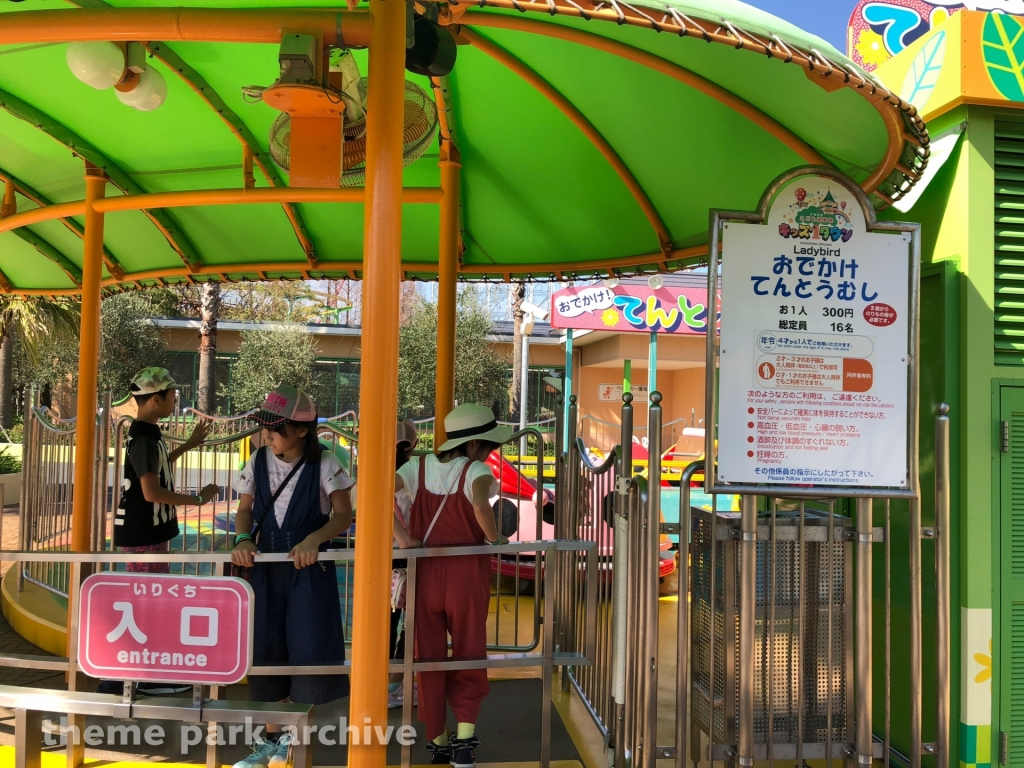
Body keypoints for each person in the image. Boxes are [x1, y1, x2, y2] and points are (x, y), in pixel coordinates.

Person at [230, 385, 354, 768]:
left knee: (307, 650)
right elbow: (245, 510)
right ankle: (271, 741)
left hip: (309, 573)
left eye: (276, 429)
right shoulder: (257, 460)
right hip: (264, 571)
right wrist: (243, 538)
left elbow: (343, 515)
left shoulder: (326, 463)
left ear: (302, 430)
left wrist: (314, 539)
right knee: (266, 651)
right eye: (265, 427)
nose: (267, 436)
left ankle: (293, 744)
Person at [394, 404, 511, 768]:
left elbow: (369, 495)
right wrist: (494, 538)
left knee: (427, 659)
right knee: (469, 652)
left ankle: (437, 739)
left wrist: (403, 539)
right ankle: (464, 741)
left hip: (425, 573)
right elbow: (480, 505)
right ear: (475, 444)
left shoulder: (416, 467)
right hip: (466, 574)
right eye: (489, 446)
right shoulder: (476, 470)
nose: (489, 453)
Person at [102, 367, 218, 696]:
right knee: (148, 601)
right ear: (156, 400)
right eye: (172, 395)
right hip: (143, 534)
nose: (175, 400)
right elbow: (151, 492)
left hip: (149, 533)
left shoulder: (148, 434)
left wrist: (189, 445)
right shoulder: (143, 437)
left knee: (150, 597)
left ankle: (138, 672)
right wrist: (197, 500)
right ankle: (136, 675)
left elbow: (155, 468)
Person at [389, 419, 419, 709]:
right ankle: (396, 683)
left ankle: (383, 683)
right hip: (408, 556)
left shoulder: (374, 474)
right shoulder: (412, 475)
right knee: (410, 624)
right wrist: (405, 538)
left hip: (380, 558)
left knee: (385, 623)